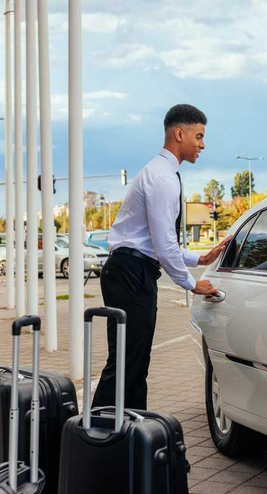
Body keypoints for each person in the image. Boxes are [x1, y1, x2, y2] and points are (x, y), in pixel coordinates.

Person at [92, 104, 230, 410]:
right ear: (179, 134)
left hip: (132, 269)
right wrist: (192, 284)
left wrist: (200, 258)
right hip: (131, 272)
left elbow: (157, 241)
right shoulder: (162, 178)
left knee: (136, 361)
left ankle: (129, 432)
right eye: (199, 136)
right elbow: (164, 243)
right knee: (127, 362)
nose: (202, 144)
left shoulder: (162, 174)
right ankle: (96, 435)